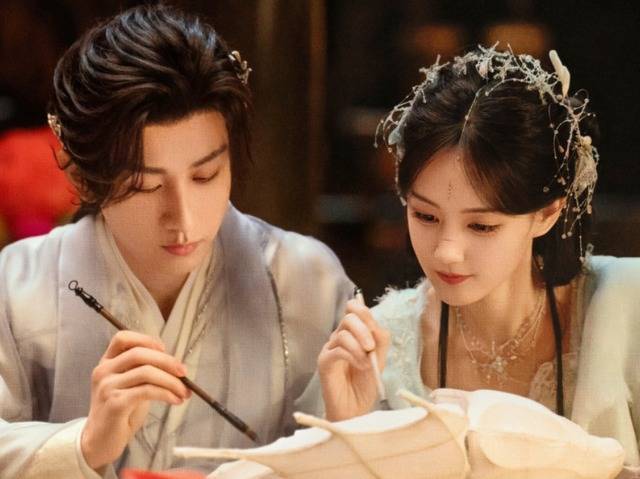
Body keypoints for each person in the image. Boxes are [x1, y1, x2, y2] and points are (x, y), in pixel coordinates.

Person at [0, 4, 352, 478]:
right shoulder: (18, 284)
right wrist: (85, 444)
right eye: (146, 186)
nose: (183, 219)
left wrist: (349, 429)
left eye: (206, 175)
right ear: (84, 177)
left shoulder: (305, 278)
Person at [318, 44, 640, 471]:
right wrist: (348, 432)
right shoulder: (381, 347)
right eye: (425, 216)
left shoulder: (625, 309)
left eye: (482, 226)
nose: (447, 252)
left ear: (547, 213)